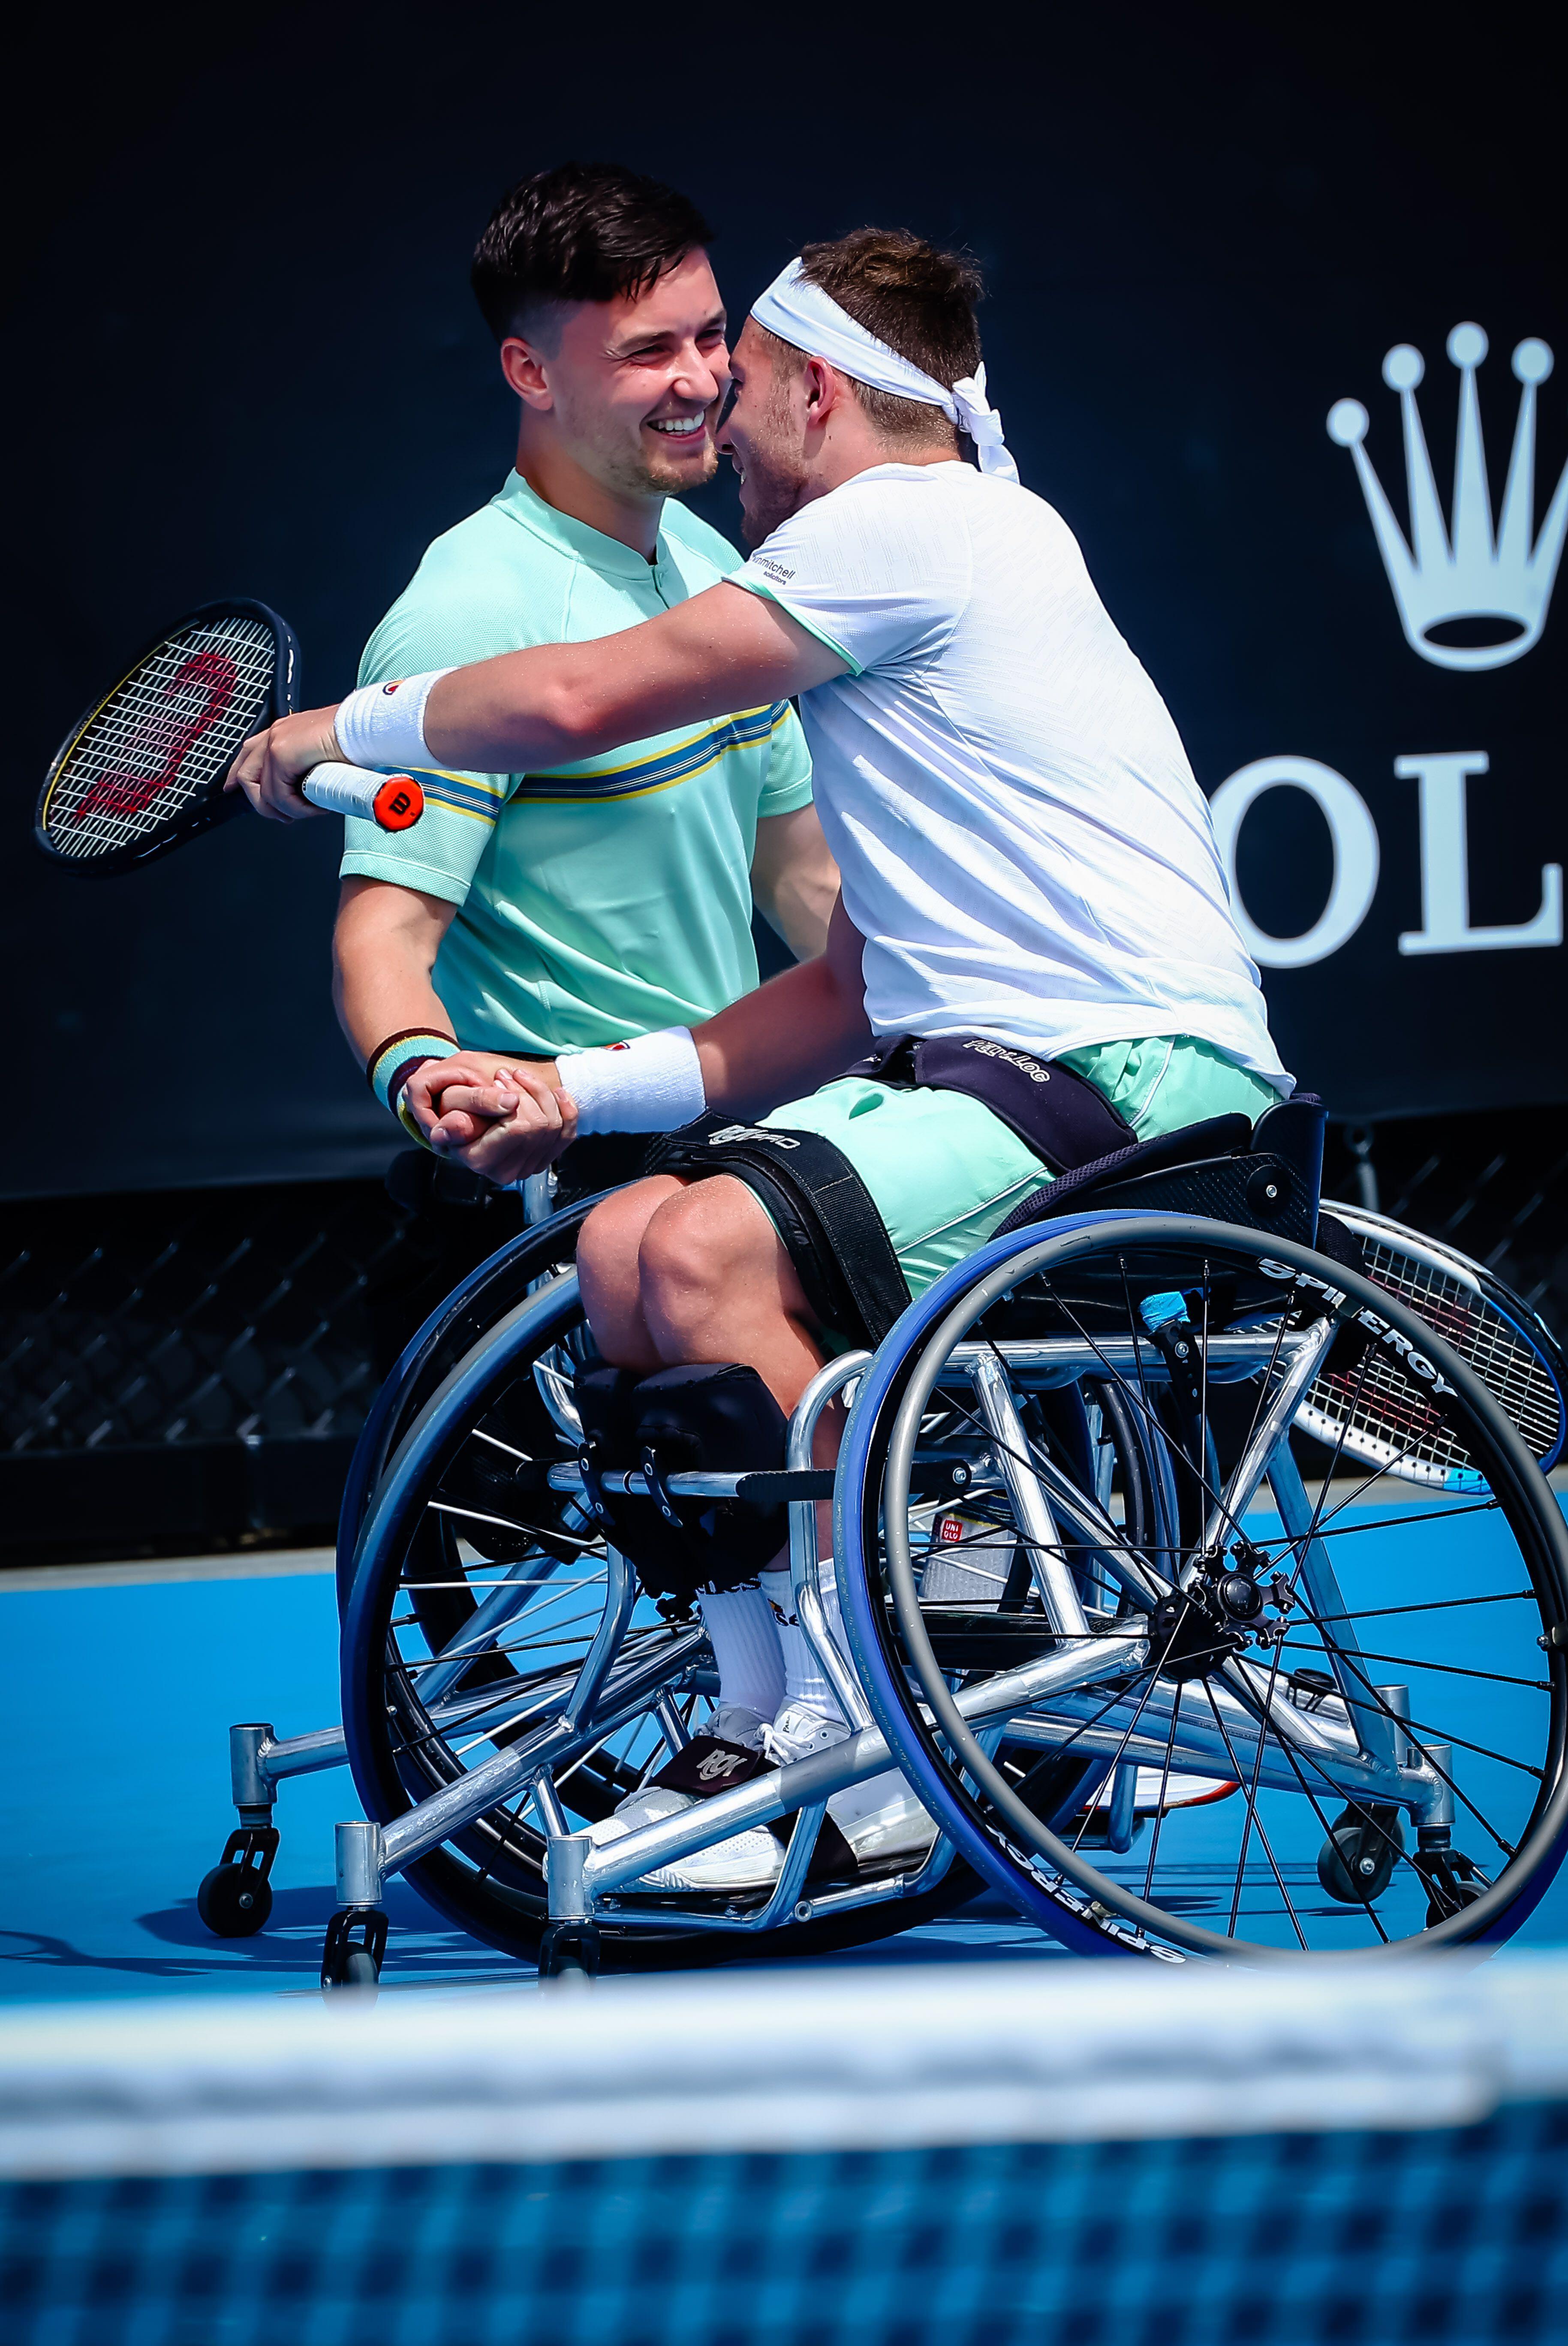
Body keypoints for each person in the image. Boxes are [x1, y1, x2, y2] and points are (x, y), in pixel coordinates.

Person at [233, 227, 1292, 1890]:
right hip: (1019, 1080)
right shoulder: (924, 565)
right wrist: (567, 1094)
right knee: (621, 1235)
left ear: (811, 383)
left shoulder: (897, 530)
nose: (714, 408)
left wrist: (325, 740)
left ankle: (866, 1714)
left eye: (735, 367)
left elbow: (583, 696)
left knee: (703, 1239)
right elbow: (833, 989)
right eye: (661, 355)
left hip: (1123, 1094)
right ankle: (765, 1715)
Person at [231, 162, 836, 1187]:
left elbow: (796, 872)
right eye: (647, 352)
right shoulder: (463, 616)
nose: (699, 380)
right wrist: (431, 1075)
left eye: (706, 336)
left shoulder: (718, 570)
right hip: (568, 1163)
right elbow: (382, 936)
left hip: (732, 1139)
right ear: (531, 373)